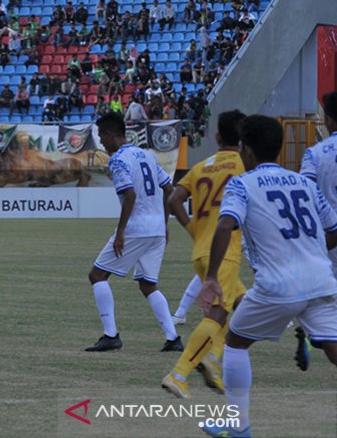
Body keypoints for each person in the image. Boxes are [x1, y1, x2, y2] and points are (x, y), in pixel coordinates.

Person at [198, 115, 337, 438]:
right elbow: (333, 230)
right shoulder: (305, 183)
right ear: (279, 149)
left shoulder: (241, 184)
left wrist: (212, 277)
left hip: (278, 286)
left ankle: (239, 426)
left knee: (235, 342)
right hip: (320, 279)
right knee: (332, 346)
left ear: (245, 150)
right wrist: (309, 250)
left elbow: (224, 224)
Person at [162, 110, 247, 400]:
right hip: (225, 249)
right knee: (218, 313)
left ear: (217, 136)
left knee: (243, 302)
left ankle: (213, 356)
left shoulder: (201, 166)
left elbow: (173, 199)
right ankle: (180, 373)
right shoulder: (245, 166)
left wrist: (193, 229)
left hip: (200, 250)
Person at [85, 112, 182, 352]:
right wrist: (165, 224)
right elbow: (169, 190)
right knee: (148, 285)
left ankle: (110, 335)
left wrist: (120, 233)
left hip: (136, 229)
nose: (101, 142)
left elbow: (129, 195)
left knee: (97, 276)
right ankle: (173, 339)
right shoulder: (147, 156)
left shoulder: (118, 160)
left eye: (101, 136)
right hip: (157, 229)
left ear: (109, 134)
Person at [295, 91, 337, 370]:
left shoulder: (315, 153)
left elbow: (305, 190)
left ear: (328, 119)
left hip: (327, 237)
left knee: (323, 301)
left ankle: (311, 335)